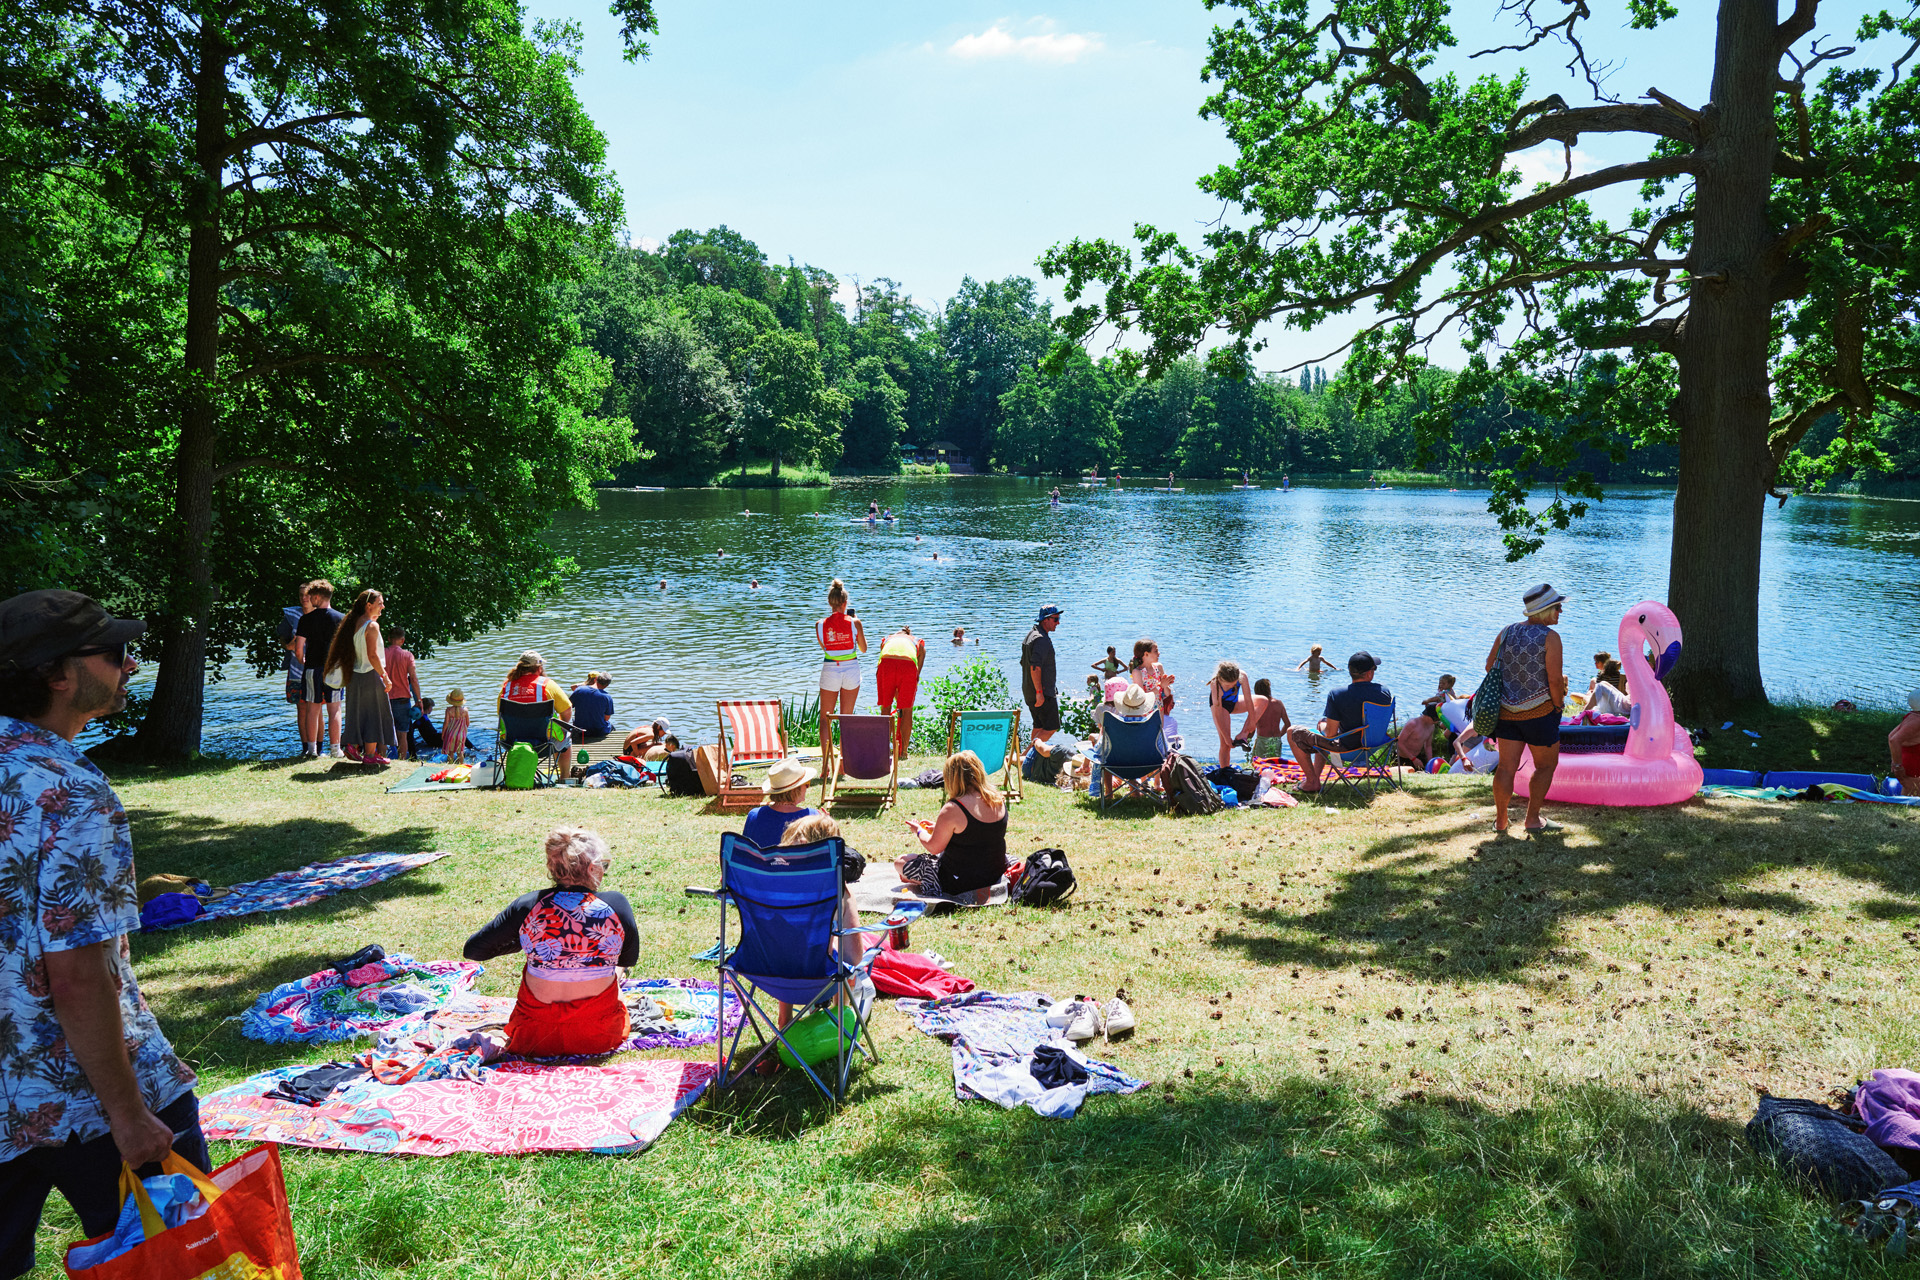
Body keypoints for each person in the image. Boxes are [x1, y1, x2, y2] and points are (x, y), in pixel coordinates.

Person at [0, 591, 204, 1277]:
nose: (130, 663)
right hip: (81, 1089)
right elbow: (77, 973)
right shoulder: (69, 791)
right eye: (114, 653)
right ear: (59, 674)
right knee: (180, 1258)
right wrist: (129, 1114)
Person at [463, 826, 638, 1058]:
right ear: (592, 868)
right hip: (599, 1035)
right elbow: (627, 959)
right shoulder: (616, 905)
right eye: (603, 866)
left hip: (533, 1035)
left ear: (552, 868)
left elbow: (474, 950)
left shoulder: (527, 906)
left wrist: (528, 940)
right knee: (616, 970)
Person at [1485, 583, 1568, 835]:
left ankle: (1501, 821)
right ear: (1545, 610)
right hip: (1540, 714)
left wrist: (1515, 684)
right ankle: (1532, 819)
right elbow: (1554, 680)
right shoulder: (1550, 637)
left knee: (1506, 767)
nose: (1561, 611)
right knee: (1545, 766)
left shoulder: (1507, 631)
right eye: (1557, 607)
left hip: (1506, 713)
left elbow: (1490, 667)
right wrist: (1557, 705)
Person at [896, 751, 1010, 904]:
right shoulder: (997, 799)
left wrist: (919, 831)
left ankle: (922, 881)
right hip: (993, 873)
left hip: (959, 881)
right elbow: (979, 833)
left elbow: (934, 847)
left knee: (901, 862)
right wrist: (939, 828)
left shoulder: (954, 808)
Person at [1285, 651, 1392, 794]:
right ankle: (1314, 779)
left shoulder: (1337, 694)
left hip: (1348, 751)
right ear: (1368, 674)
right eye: (1374, 669)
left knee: (1292, 731)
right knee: (1323, 725)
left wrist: (1323, 726)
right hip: (1375, 746)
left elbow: (1330, 734)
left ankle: (1312, 781)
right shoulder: (1384, 692)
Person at [320, 588, 395, 765]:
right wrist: (384, 676)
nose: (383, 606)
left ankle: (352, 746)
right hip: (370, 675)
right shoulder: (372, 626)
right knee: (374, 714)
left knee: (356, 712)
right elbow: (373, 656)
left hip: (354, 675)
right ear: (369, 605)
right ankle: (370, 755)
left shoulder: (354, 622)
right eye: (380, 603)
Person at [294, 579, 345, 757]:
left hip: (312, 668)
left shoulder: (306, 619)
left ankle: (311, 750)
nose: (308, 599)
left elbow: (299, 649)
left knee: (312, 709)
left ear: (317, 596)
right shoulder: (341, 618)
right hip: (334, 669)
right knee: (335, 709)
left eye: (310, 596)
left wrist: (303, 660)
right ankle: (335, 749)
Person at [816, 579, 867, 748]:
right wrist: (856, 625)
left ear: (830, 603)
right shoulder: (855, 623)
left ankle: (826, 765)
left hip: (830, 668)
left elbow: (826, 648)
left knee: (825, 718)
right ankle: (843, 764)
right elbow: (863, 649)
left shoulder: (820, 625)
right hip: (851, 669)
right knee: (847, 717)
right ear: (846, 603)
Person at [743, 757, 821, 848]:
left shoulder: (754, 815)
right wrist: (825, 823)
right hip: (798, 862)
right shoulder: (812, 817)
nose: (807, 787)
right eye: (806, 783)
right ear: (795, 790)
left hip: (762, 862)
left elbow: (745, 853)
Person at [876, 624, 926, 755]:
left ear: (897, 634)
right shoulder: (917, 641)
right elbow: (920, 660)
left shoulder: (887, 639)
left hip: (886, 664)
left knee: (886, 707)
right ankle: (903, 751)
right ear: (909, 635)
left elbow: (883, 657)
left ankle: (884, 749)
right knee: (907, 709)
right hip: (908, 665)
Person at [1023, 605, 1063, 746]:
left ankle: (1025, 757)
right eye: (1056, 619)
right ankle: (1027, 757)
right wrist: (1040, 693)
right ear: (1045, 620)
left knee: (1039, 726)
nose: (1058, 622)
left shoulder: (1031, 635)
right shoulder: (1041, 639)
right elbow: (1035, 667)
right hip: (1042, 692)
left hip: (1029, 689)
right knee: (1051, 726)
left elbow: (1024, 664)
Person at [383, 624, 423, 760]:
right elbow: (414, 679)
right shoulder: (407, 655)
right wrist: (419, 700)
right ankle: (401, 761)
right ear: (403, 640)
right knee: (402, 735)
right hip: (403, 700)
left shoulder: (381, 653)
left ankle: (382, 758)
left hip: (384, 699)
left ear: (388, 639)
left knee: (383, 733)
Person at [499, 650, 573, 721]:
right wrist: (562, 730)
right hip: (544, 734)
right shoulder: (548, 685)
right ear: (539, 668)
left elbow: (500, 714)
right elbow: (566, 710)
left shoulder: (507, 687)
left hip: (512, 734)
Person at [1207, 660, 1254, 767]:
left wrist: (1252, 721)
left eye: (1233, 685)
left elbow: (1248, 700)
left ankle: (1242, 735)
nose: (1230, 687)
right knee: (1225, 744)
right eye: (1227, 685)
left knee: (1262, 701)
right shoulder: (1215, 684)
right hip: (1221, 707)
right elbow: (1218, 713)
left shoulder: (1242, 676)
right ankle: (1225, 771)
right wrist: (1226, 737)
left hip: (1234, 702)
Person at [274, 584, 306, 738]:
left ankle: (317, 748)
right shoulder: (292, 614)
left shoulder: (323, 614)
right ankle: (306, 747)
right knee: (301, 708)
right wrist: (287, 645)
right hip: (295, 670)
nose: (304, 598)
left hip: (316, 668)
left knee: (316, 709)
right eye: (301, 595)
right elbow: (282, 636)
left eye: (307, 595)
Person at [1232, 677, 1292, 758]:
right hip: (1276, 740)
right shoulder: (1279, 703)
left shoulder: (1258, 705)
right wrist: (1279, 736)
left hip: (1262, 740)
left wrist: (1248, 740)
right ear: (1268, 689)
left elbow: (1251, 727)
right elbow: (1288, 724)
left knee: (1259, 764)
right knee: (1275, 764)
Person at [1129, 637, 1174, 715]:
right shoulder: (1137, 672)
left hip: (1159, 709)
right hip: (1145, 712)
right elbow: (1141, 697)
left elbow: (1167, 693)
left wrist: (1166, 685)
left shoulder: (1159, 667)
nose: (1159, 653)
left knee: (1160, 727)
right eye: (1156, 651)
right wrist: (1160, 686)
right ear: (1146, 654)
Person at [569, 671, 615, 742]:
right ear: (607, 685)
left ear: (595, 679)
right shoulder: (607, 697)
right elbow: (606, 718)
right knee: (611, 726)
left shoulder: (579, 690)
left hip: (580, 730)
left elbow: (568, 707)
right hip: (598, 732)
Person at [1891, 689, 1920, 793]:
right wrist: (1897, 766)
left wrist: (1895, 761)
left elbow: (1891, 735)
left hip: (1909, 762)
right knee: (1913, 796)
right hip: (1914, 764)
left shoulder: (1912, 716)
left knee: (1910, 793)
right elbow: (1894, 740)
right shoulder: (1917, 721)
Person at [1397, 705, 1440, 770]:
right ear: (1427, 716)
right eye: (1435, 719)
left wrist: (1430, 762)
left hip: (1416, 757)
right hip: (1402, 757)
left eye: (1438, 720)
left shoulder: (1431, 727)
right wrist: (1413, 758)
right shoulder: (1413, 724)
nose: (1436, 722)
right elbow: (1399, 743)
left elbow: (1428, 746)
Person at [442, 688, 471, 763]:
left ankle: (450, 766)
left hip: (450, 734)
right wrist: (463, 730)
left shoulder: (448, 710)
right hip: (461, 734)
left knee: (451, 752)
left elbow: (446, 723)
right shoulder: (465, 711)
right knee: (460, 752)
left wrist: (443, 733)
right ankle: (461, 766)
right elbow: (467, 723)